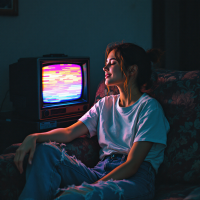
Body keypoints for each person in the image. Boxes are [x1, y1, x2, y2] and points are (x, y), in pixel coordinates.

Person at [14, 42, 170, 200]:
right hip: (101, 170)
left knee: (72, 197)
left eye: (112, 63)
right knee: (45, 151)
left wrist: (92, 188)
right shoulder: (105, 104)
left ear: (132, 70)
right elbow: (69, 132)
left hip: (135, 179)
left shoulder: (150, 109)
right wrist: (33, 137)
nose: (105, 68)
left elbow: (133, 164)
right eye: (106, 64)